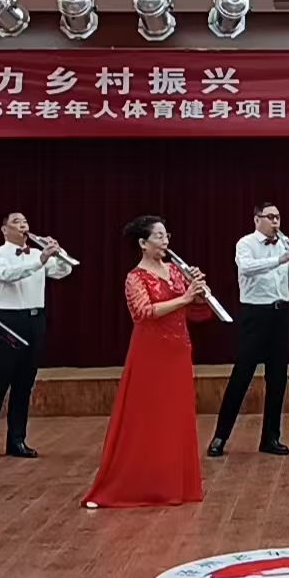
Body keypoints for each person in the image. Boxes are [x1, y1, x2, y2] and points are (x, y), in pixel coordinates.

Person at [83, 216, 213, 508]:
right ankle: (132, 485)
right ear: (143, 243)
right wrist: (185, 298)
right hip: (150, 354)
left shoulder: (175, 270)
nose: (165, 241)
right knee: (146, 418)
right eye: (159, 236)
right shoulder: (135, 277)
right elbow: (143, 312)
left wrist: (199, 293)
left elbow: (195, 311)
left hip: (178, 352)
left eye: (167, 235)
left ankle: (172, 485)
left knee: (175, 418)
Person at [208, 201, 289, 458]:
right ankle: (220, 437)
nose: (276, 222)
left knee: (277, 379)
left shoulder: (284, 244)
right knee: (241, 377)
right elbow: (246, 268)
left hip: (279, 316)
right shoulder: (245, 244)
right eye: (270, 217)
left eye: (278, 217)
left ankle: (270, 438)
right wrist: (279, 259)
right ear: (257, 220)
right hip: (255, 316)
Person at [0, 212, 71, 462]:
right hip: (8, 320)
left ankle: (17, 440)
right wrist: (40, 261)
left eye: (25, 221)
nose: (22, 225)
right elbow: (9, 275)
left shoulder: (37, 253)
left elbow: (64, 270)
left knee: (25, 383)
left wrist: (57, 252)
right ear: (4, 230)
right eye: (16, 222)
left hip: (35, 320)